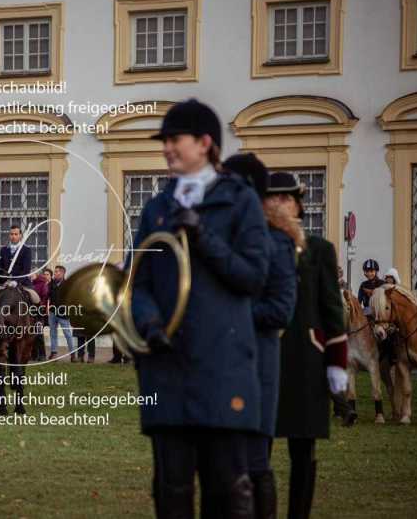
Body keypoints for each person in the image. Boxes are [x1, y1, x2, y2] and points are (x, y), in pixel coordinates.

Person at [130, 99, 270, 518]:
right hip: (166, 370)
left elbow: (252, 276)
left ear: (205, 143)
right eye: (165, 141)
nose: (167, 148)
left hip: (222, 369)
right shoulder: (157, 207)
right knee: (170, 492)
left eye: (175, 139)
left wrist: (203, 235)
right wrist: (149, 323)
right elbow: (137, 281)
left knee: (225, 494)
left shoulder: (240, 201)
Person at [224, 153, 301, 519]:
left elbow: (279, 311)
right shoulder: (228, 238)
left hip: (258, 365)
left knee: (255, 462)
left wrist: (225, 315)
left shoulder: (277, 243)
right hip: (221, 366)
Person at [271, 172, 349, 519]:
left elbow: (332, 308)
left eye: (286, 198)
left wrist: (336, 363)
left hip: (306, 360)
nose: (280, 205)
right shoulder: (257, 247)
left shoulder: (320, 250)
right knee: (257, 450)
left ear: (298, 203)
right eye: (272, 199)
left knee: (303, 450)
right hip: (266, 359)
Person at [47, 265, 75, 362]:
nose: (55, 273)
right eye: (54, 272)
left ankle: (73, 354)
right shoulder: (51, 283)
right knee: (53, 333)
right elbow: (48, 295)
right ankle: (54, 353)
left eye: (57, 272)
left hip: (63, 314)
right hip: (52, 313)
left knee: (67, 334)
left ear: (62, 273)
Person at [31, 269, 51, 361]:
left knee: (39, 334)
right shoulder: (31, 284)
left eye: (32, 274)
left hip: (39, 312)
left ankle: (42, 355)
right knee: (32, 333)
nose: (30, 275)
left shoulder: (42, 284)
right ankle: (34, 355)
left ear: (37, 274)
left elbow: (45, 296)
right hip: (30, 312)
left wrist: (40, 306)